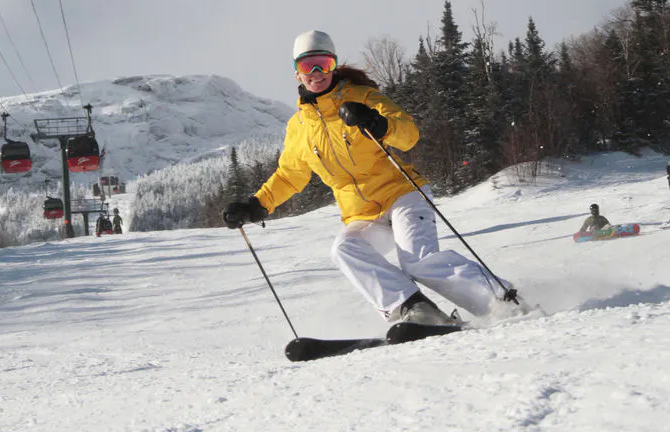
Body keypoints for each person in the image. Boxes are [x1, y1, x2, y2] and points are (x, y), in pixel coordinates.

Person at [222, 30, 520, 326]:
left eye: (323, 64)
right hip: (362, 214)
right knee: (345, 250)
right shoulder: (299, 127)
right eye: (306, 66)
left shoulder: (362, 98)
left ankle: (501, 301)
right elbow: (290, 175)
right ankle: (412, 308)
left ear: (334, 65)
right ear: (296, 73)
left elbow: (408, 133)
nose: (315, 73)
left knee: (418, 261)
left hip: (403, 194)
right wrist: (255, 204)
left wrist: (379, 123)